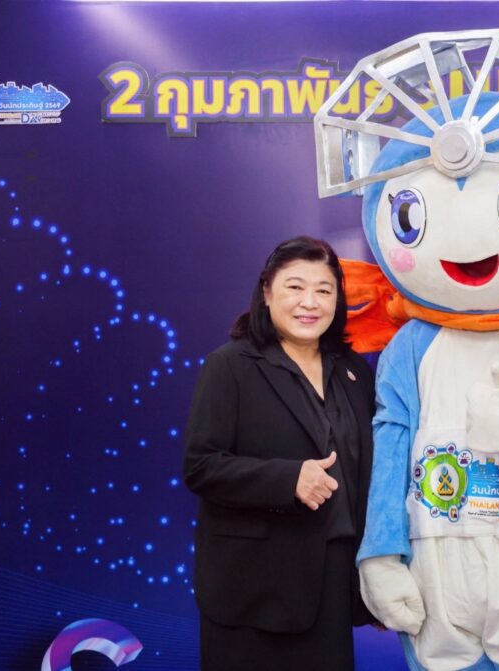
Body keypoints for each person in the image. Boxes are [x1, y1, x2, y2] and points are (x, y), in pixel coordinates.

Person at [183, 236, 375, 671]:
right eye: (295, 287)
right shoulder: (230, 365)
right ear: (267, 292)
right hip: (254, 588)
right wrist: (288, 480)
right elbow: (201, 466)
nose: (310, 302)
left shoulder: (354, 371)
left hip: (332, 582)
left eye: (324, 290)